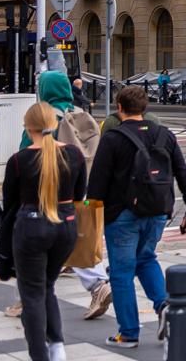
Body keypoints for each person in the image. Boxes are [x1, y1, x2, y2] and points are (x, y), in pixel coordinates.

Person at [87, 84, 186, 347]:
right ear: (144, 107)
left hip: (122, 215)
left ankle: (128, 333)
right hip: (158, 212)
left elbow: (97, 184)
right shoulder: (165, 135)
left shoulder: (113, 138)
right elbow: (183, 173)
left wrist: (92, 217)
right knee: (146, 258)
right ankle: (165, 308)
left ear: (119, 108)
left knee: (121, 272)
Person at [0, 102, 88, 361]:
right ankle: (57, 346)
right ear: (56, 124)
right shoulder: (74, 155)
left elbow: (10, 202)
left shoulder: (18, 160)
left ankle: (41, 355)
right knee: (47, 285)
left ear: (27, 127)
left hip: (31, 225)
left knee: (33, 293)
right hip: (66, 225)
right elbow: (79, 194)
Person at [30, 70, 114, 320]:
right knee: (74, 235)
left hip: (50, 189)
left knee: (35, 241)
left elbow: (28, 153)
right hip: (80, 185)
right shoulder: (81, 112)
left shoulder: (44, 117)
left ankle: (97, 285)